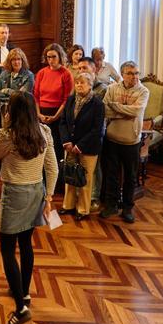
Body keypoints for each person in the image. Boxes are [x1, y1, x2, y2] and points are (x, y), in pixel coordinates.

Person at [0, 92, 58, 324]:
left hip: (15, 194)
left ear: (13, 112)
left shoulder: (9, 135)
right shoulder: (45, 133)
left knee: (7, 249)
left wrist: (3, 128)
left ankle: (20, 309)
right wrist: (48, 197)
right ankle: (24, 292)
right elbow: (53, 168)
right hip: (36, 193)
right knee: (26, 243)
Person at [99, 62, 149, 223]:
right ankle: (111, 205)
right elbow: (105, 110)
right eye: (130, 73)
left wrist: (115, 108)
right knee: (111, 175)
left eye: (136, 73)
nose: (134, 76)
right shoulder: (112, 89)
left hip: (131, 141)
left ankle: (127, 208)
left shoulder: (143, 91)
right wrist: (123, 112)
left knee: (130, 176)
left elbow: (137, 111)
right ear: (122, 74)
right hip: (112, 138)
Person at [58, 73, 105, 221]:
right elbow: (63, 122)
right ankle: (68, 205)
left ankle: (83, 209)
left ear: (90, 85)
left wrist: (80, 145)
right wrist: (66, 142)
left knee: (85, 179)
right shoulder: (71, 99)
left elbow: (97, 130)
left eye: (82, 83)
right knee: (70, 175)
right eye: (77, 83)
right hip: (70, 146)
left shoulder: (97, 104)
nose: (78, 85)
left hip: (88, 147)